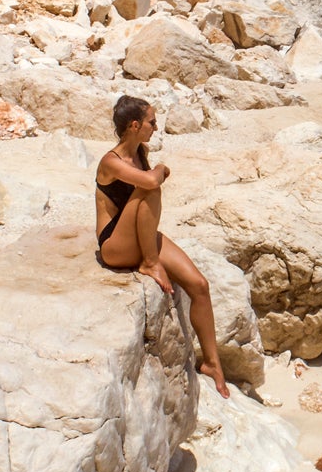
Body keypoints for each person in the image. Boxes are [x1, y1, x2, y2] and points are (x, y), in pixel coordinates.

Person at [95, 95, 230, 398]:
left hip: (141, 237)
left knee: (200, 285)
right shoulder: (110, 161)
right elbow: (151, 182)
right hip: (114, 247)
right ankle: (149, 262)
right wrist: (161, 168)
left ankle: (212, 362)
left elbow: (150, 180)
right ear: (134, 125)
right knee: (149, 189)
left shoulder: (140, 153)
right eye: (152, 122)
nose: (156, 127)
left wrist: (156, 170)